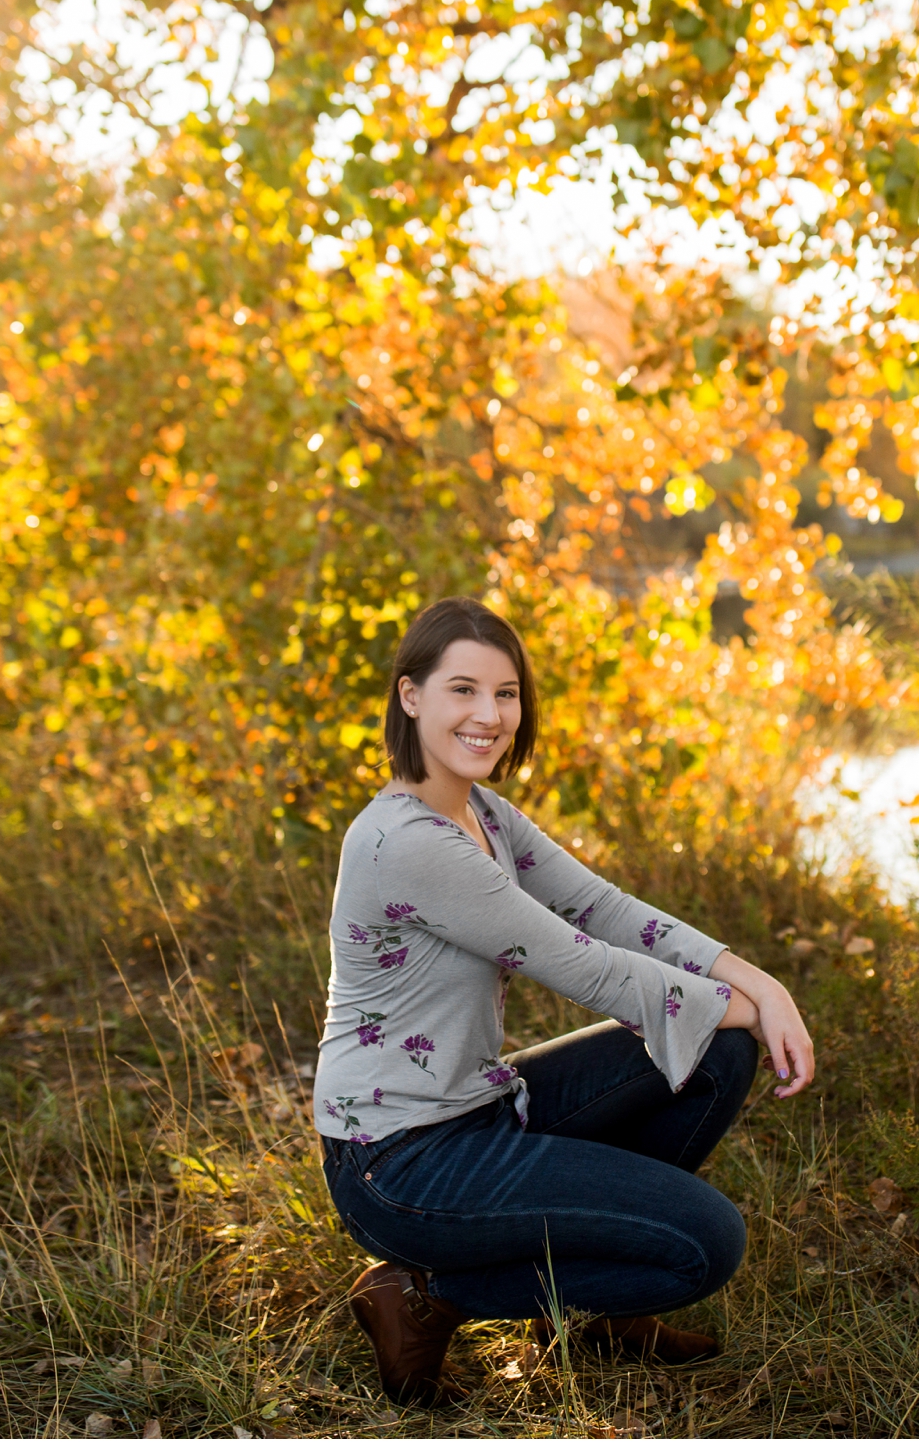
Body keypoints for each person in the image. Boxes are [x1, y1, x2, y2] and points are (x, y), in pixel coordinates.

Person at [312, 597, 815, 1405]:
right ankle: (425, 1295)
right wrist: (752, 1004)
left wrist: (760, 982)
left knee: (716, 1052)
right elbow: (588, 966)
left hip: (477, 1103)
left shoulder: (478, 810)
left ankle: (591, 1310)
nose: (489, 715)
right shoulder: (407, 843)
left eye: (505, 693)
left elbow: (606, 911)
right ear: (411, 696)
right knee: (705, 1244)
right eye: (463, 690)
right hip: (399, 1160)